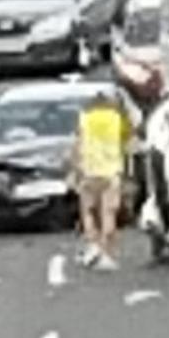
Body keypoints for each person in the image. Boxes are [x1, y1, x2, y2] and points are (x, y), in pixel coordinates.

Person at [69, 91, 133, 270]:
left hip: (89, 172)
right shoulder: (116, 118)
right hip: (112, 173)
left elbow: (78, 145)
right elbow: (128, 141)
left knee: (88, 212)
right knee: (108, 214)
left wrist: (74, 170)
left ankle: (93, 245)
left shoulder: (85, 118)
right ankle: (107, 254)